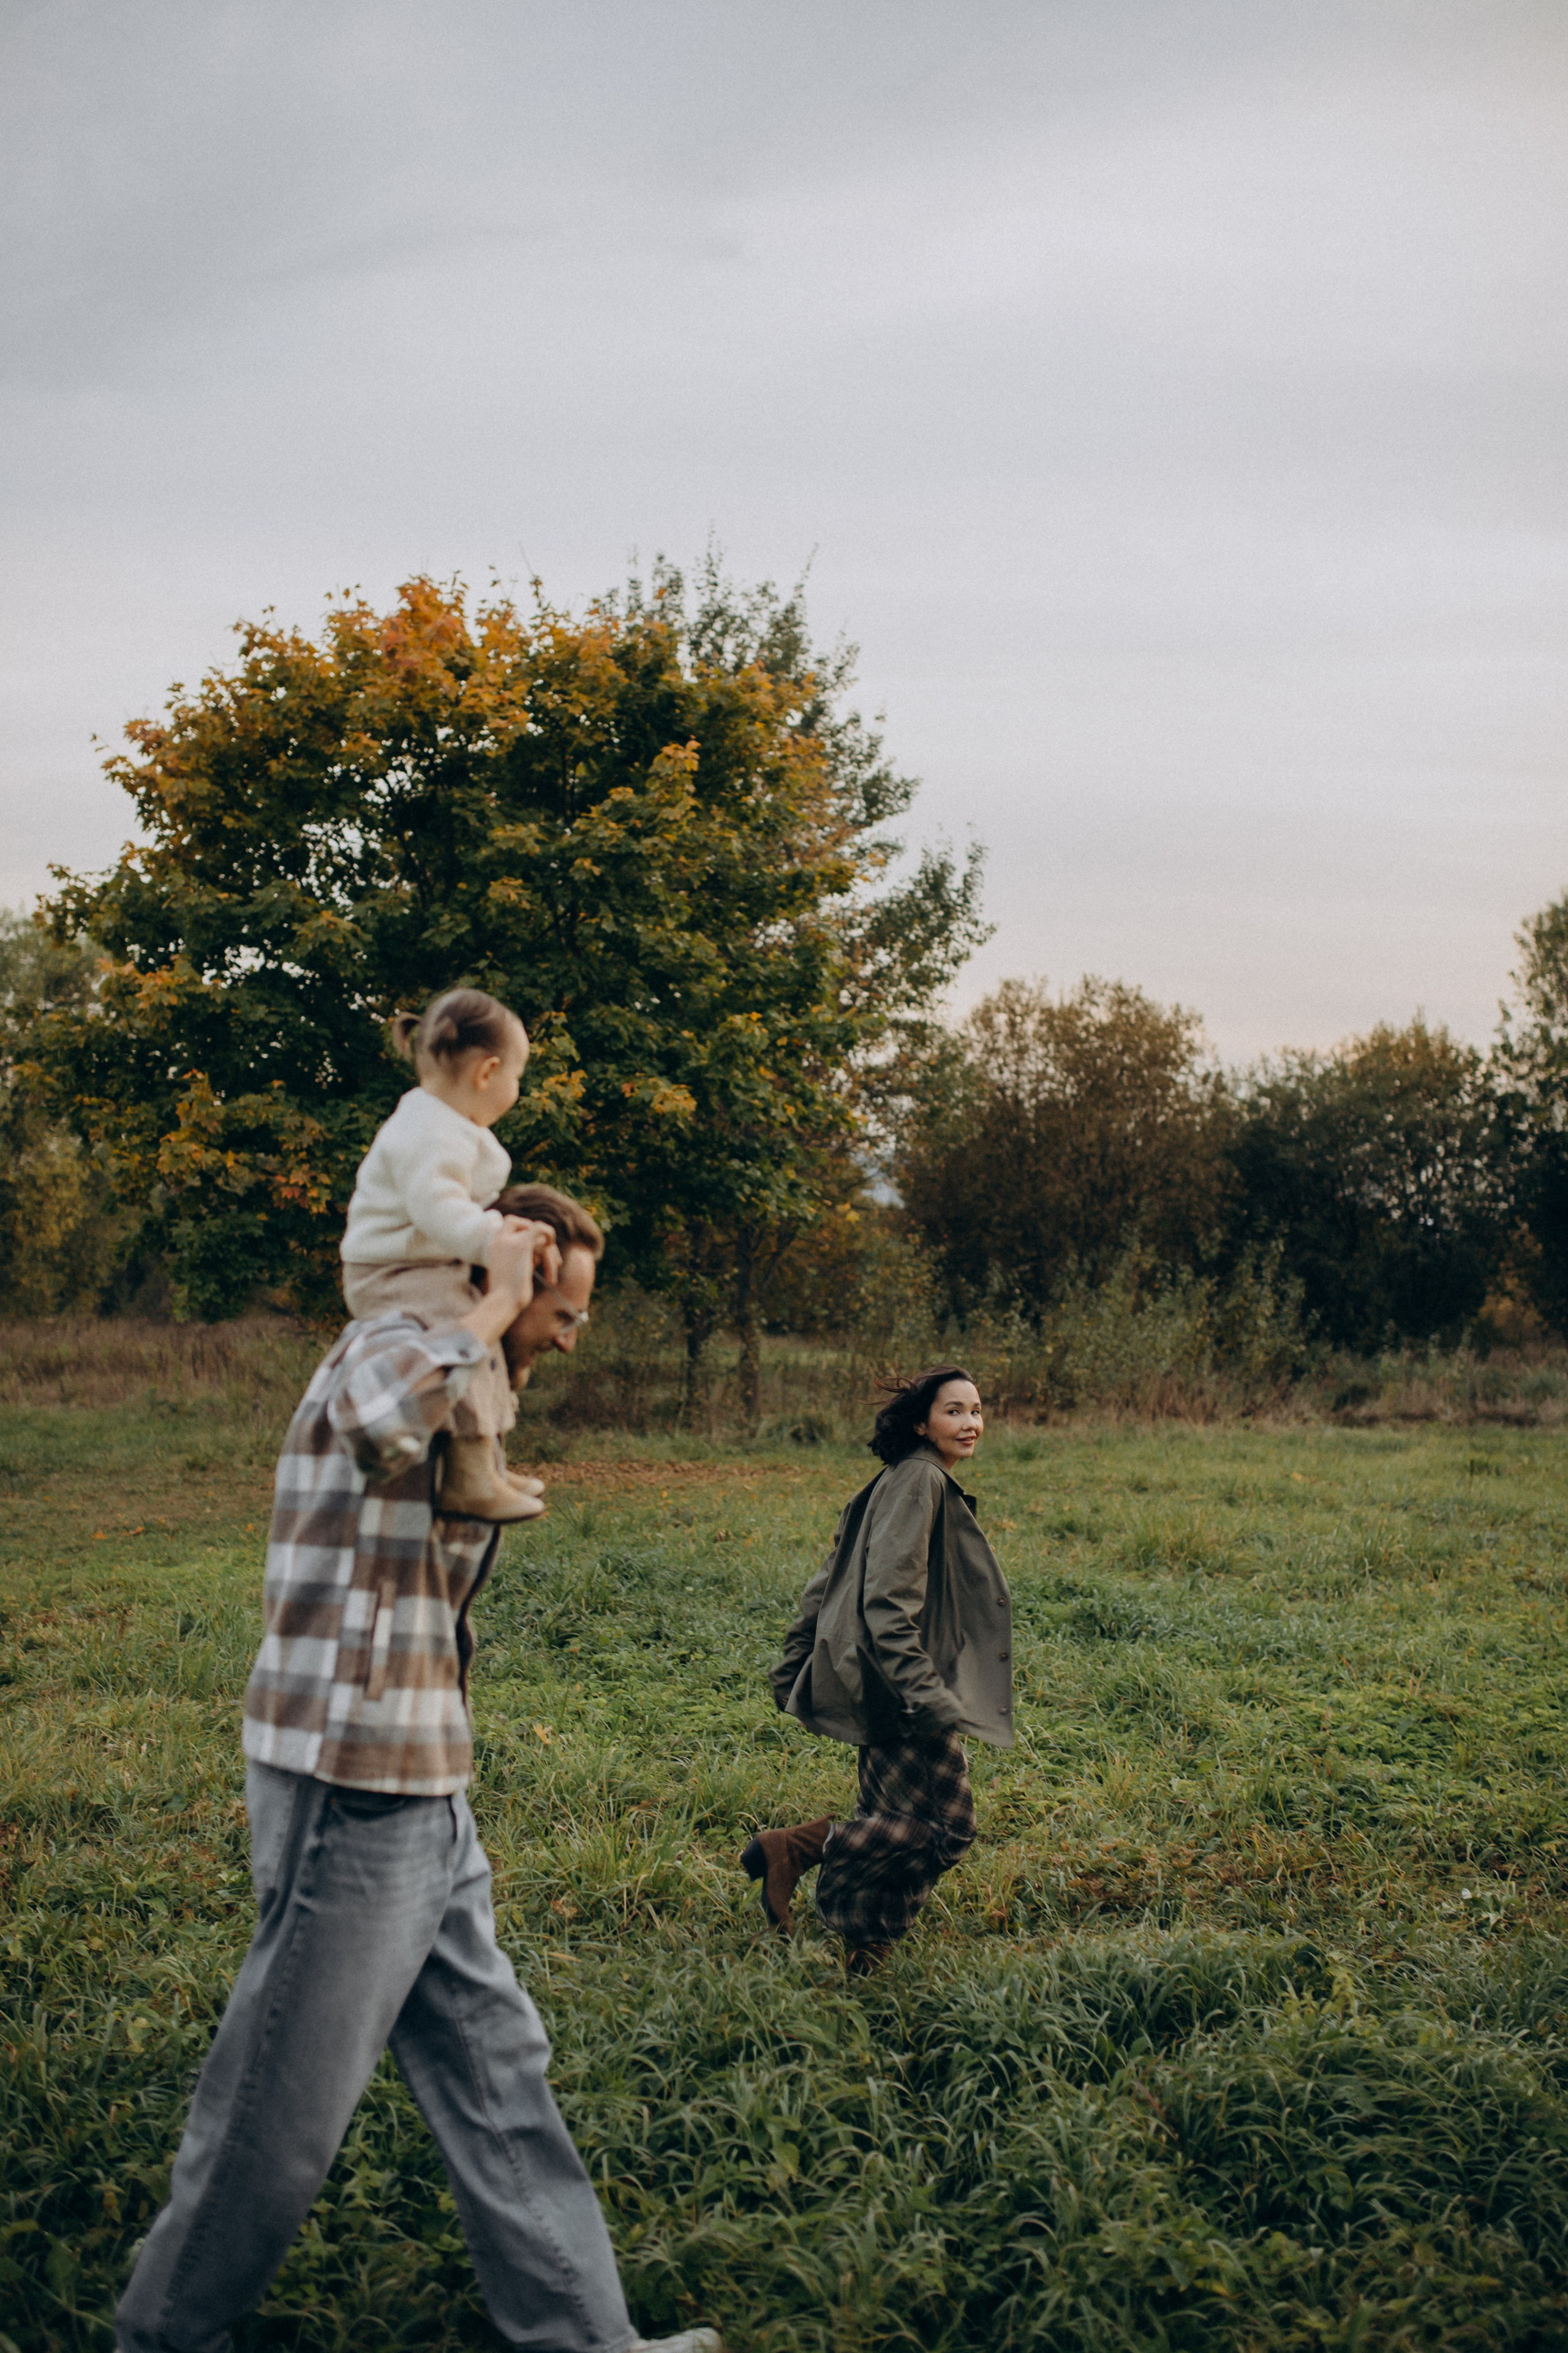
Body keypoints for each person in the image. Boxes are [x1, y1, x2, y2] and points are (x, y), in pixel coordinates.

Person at [116, 1185, 721, 2353]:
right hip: (354, 1779)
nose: (570, 1333)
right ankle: (161, 2336)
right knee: (280, 2103)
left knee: (498, 2064)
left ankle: (584, 2338)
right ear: (504, 1272)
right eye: (567, 1309)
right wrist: (486, 1307)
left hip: (420, 1775)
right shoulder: (402, 1339)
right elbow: (375, 1422)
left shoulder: (470, 1375)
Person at [743, 1365, 1013, 1973]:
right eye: (953, 1411)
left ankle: (867, 1951)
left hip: (879, 1678)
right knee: (946, 1830)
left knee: (886, 1819)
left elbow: (829, 1575)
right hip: (905, 1684)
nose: (970, 1423)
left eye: (975, 1410)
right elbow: (887, 1601)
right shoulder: (919, 1483)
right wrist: (930, 1695)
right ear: (921, 1422)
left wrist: (797, 1655)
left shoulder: (897, 1478)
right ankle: (797, 1847)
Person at [341, 986, 539, 1523]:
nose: (516, 1088)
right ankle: (469, 1480)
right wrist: (491, 1239)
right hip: (390, 1271)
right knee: (466, 1334)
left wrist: (497, 1226)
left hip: (424, 1264)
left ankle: (487, 1463)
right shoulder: (429, 1129)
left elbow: (461, 1208)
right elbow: (437, 1208)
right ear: (487, 1072)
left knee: (485, 1332)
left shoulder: (447, 1124)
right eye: (516, 1077)